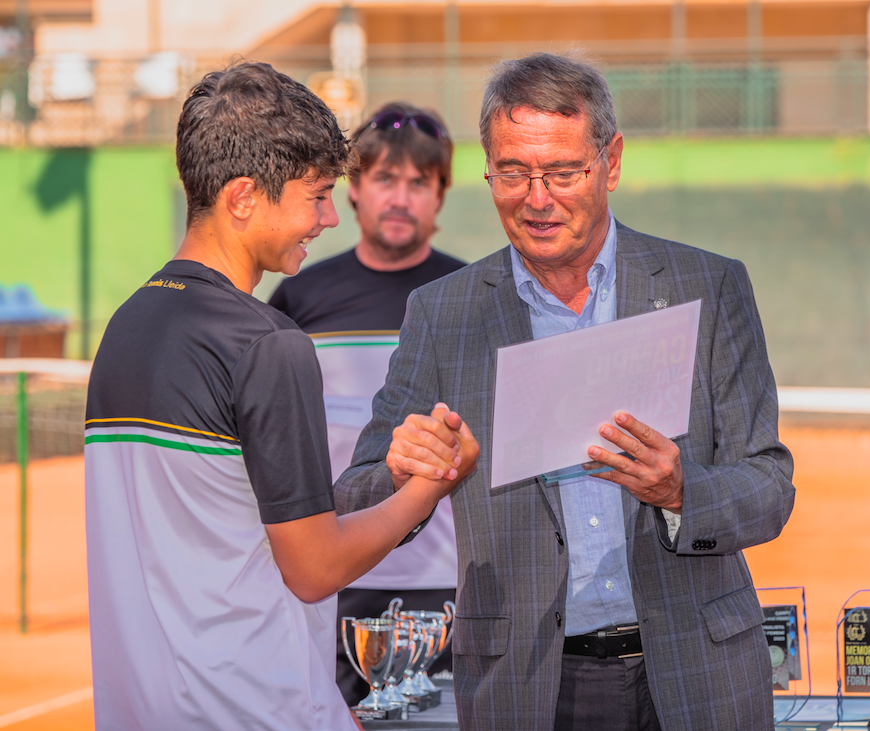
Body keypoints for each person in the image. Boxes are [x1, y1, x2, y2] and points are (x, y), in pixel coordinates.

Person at [335, 52, 795, 731]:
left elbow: (769, 486)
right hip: (524, 688)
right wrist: (405, 472)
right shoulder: (443, 314)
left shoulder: (707, 286)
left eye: (561, 172)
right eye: (513, 173)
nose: (537, 198)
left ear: (610, 162)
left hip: (698, 676)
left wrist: (680, 491)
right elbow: (355, 496)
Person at [84, 62, 477, 731]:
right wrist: (431, 484)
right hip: (258, 708)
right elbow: (315, 567)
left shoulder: (125, 327)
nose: (328, 217)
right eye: (316, 195)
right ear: (243, 197)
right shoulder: (269, 343)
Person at [269, 101, 465, 706]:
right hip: (333, 578)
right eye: (384, 179)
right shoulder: (298, 295)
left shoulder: (471, 297)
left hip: (453, 585)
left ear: (440, 194)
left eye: (418, 183)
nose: (400, 199)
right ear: (353, 189)